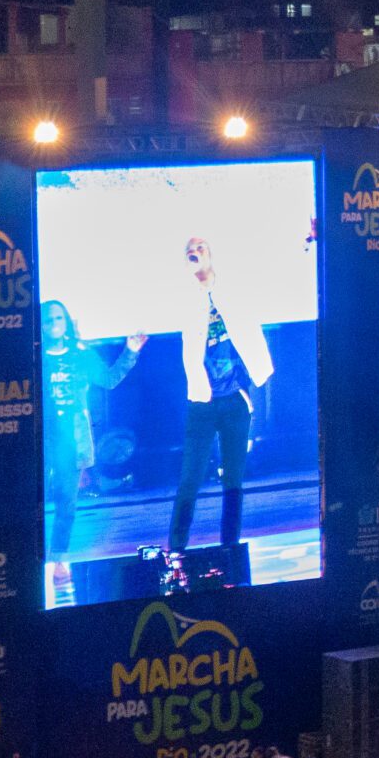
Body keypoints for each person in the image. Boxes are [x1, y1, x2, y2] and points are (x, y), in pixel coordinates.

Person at [168, 233, 277, 557]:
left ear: (212, 253)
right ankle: (176, 549)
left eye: (201, 248)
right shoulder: (185, 296)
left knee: (233, 480)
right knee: (190, 479)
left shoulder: (232, 290)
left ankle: (229, 547)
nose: (195, 253)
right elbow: (184, 312)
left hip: (234, 399)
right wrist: (194, 278)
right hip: (202, 401)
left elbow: (251, 324)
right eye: (190, 251)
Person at [39, 299, 144, 565]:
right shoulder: (35, 356)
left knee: (67, 504)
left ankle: (59, 560)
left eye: (58, 318)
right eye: (48, 320)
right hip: (41, 438)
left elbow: (108, 379)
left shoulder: (80, 354)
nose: (54, 325)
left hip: (73, 438)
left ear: (66, 322)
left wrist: (130, 352)